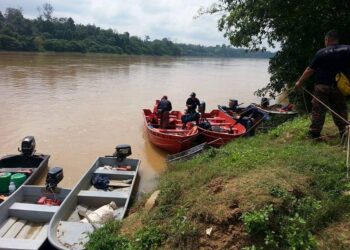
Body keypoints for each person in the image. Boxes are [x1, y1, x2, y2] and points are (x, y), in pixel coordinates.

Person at [295, 30, 350, 139]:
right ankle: (344, 132)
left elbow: (310, 70)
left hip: (321, 87)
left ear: (327, 40)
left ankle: (314, 134)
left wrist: (299, 82)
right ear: (337, 40)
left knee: (318, 110)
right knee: (339, 110)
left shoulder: (321, 53)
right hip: (339, 86)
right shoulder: (347, 49)